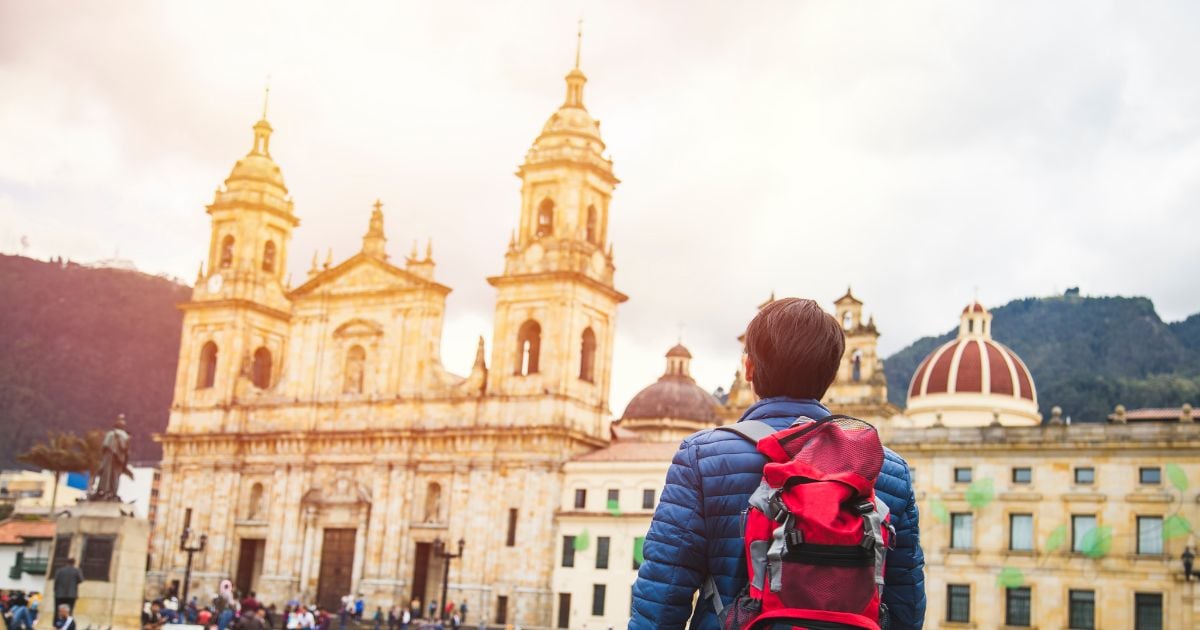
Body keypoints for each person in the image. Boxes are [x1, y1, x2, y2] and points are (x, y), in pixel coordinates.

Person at [629, 298, 926, 629]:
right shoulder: (889, 469)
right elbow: (906, 605)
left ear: (749, 369)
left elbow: (662, 594)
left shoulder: (700, 457)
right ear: (831, 373)